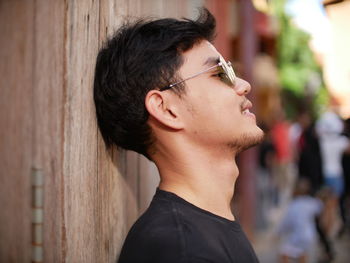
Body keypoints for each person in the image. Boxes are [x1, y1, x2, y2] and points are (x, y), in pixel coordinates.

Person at [94, 9, 264, 263]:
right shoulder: (178, 249)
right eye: (220, 74)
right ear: (166, 109)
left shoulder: (198, 230)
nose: (243, 85)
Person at [276, 178, 323, 263]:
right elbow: (321, 206)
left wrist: (278, 233)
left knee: (284, 252)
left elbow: (285, 222)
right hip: (310, 235)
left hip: (297, 236)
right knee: (302, 253)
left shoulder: (293, 205)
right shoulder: (311, 202)